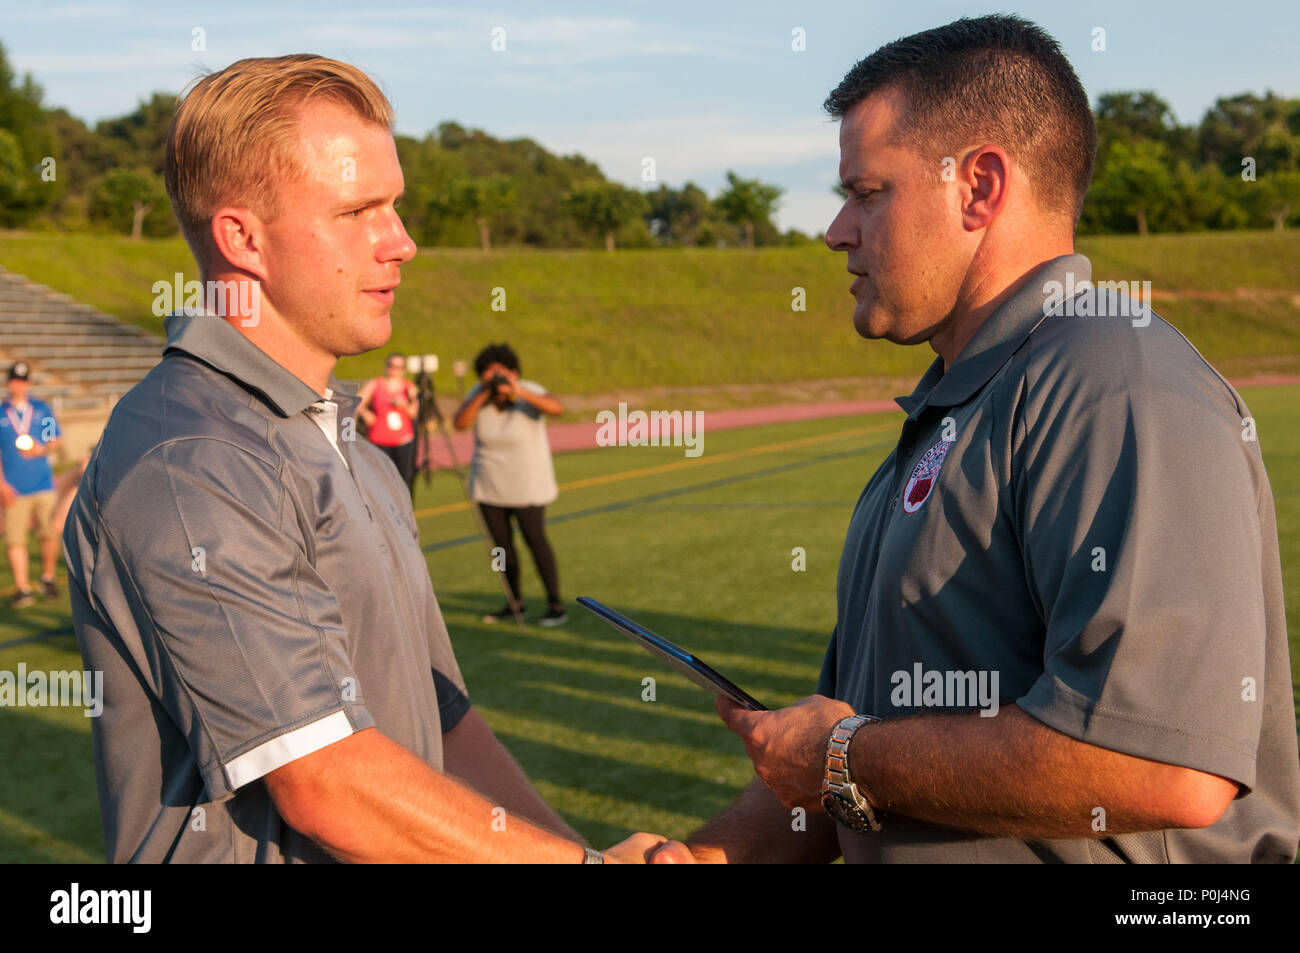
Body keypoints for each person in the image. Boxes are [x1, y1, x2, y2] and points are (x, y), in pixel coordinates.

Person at [655, 15, 1300, 864]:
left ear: (979, 188)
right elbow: (846, 759)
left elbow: (1161, 764)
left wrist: (845, 754)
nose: (836, 231)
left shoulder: (1115, 379)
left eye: (867, 192)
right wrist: (712, 856)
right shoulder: (952, 410)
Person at [61, 54, 688, 864]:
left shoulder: (346, 438)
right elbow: (324, 778)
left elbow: (441, 715)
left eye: (394, 205)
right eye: (359, 210)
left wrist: (572, 851)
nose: (404, 242)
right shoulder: (192, 457)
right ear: (242, 238)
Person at [453, 343, 568, 627]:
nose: (495, 379)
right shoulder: (478, 395)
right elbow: (460, 423)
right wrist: (482, 393)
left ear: (513, 371)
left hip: (528, 483)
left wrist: (517, 390)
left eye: (500, 372)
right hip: (489, 484)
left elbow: (557, 408)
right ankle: (514, 601)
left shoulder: (528, 389)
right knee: (501, 548)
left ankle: (555, 603)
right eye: (488, 373)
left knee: (535, 540)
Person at [0, 360, 62, 609]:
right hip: (14, 487)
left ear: (29, 383)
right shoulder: (1, 412)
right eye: (15, 380)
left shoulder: (41, 409)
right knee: (16, 539)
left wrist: (41, 449)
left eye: (23, 381)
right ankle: (23, 587)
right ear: (8, 382)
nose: (19, 385)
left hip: (43, 482)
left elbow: (54, 440)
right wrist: (2, 484)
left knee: (48, 533)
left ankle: (48, 577)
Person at [358, 352, 419, 494]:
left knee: (404, 480)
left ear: (403, 369)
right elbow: (357, 401)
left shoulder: (408, 387)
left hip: (403, 441)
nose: (394, 370)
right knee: (380, 481)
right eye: (392, 366)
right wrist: (366, 414)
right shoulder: (376, 384)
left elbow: (415, 413)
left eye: (399, 367)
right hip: (379, 440)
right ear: (387, 366)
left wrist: (403, 405)